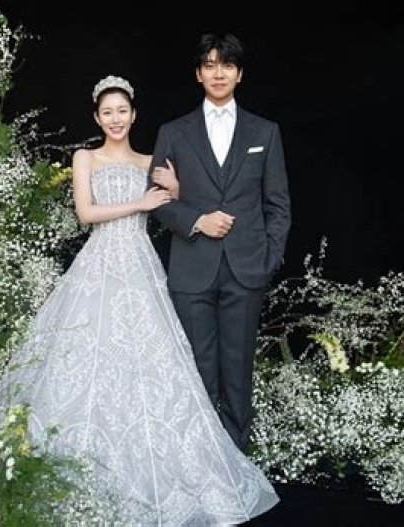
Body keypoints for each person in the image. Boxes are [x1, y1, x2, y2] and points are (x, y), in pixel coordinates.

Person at [0, 75, 279, 525]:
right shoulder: (85, 157)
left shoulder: (149, 161)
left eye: (122, 111)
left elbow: (174, 205)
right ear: (96, 117)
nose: (115, 119)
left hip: (141, 263)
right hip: (99, 262)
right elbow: (86, 213)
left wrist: (175, 191)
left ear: (134, 114)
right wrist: (140, 203)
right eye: (107, 112)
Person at [149, 33, 291, 452]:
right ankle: (200, 458)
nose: (218, 73)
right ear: (198, 74)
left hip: (246, 268)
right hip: (192, 267)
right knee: (198, 368)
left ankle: (235, 460)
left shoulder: (265, 132)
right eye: (209, 65)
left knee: (238, 368)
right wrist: (197, 220)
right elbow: (155, 199)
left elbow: (278, 205)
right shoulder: (173, 132)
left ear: (239, 74)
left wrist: (269, 259)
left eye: (226, 65)